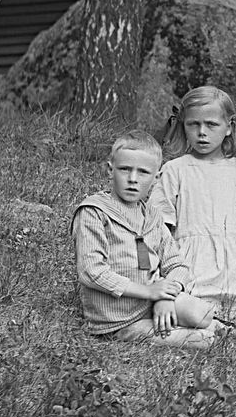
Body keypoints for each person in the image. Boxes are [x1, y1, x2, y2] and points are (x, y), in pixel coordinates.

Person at [73, 131, 227, 349]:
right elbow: (91, 272)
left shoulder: (152, 217)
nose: (133, 179)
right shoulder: (94, 212)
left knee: (200, 314)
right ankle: (202, 333)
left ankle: (210, 324)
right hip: (119, 318)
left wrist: (163, 297)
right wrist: (149, 292)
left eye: (143, 172)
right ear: (110, 170)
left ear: (156, 178)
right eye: (125, 169)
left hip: (151, 301)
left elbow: (177, 264)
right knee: (204, 340)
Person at [150, 86, 236, 326]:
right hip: (192, 262)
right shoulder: (175, 170)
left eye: (211, 125)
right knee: (190, 303)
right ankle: (203, 318)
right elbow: (159, 227)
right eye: (193, 125)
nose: (201, 133)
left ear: (228, 127)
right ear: (183, 125)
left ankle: (230, 316)